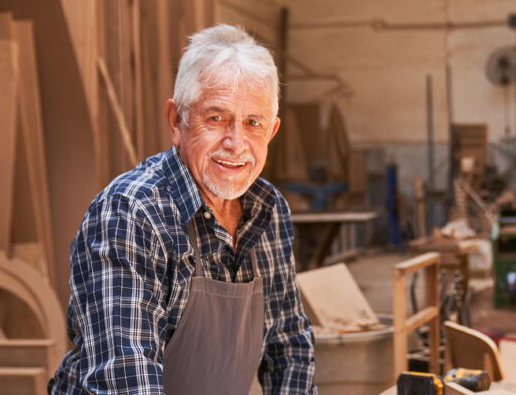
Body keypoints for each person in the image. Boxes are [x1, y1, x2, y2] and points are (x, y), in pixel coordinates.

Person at [49, 24, 317, 394]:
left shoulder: (267, 209)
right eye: (216, 118)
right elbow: (127, 378)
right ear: (177, 121)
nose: (235, 143)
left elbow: (289, 349)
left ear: (270, 132)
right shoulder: (132, 213)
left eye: (252, 123)